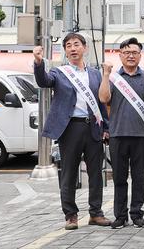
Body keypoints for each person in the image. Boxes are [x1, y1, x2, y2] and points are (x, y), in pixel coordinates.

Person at [33, 33, 111, 230]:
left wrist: (106, 128)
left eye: (76, 44)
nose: (73, 48)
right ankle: (70, 215)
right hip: (70, 128)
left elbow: (101, 103)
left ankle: (96, 213)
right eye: (69, 45)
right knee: (68, 173)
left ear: (84, 48)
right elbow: (43, 81)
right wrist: (38, 62)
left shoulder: (95, 74)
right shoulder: (60, 73)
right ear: (65, 51)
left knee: (96, 173)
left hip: (93, 127)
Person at [99, 37, 144, 229]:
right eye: (126, 52)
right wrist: (105, 74)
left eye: (134, 52)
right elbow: (103, 98)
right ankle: (120, 216)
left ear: (140, 56)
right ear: (120, 55)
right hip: (118, 134)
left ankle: (137, 214)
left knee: (139, 178)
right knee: (119, 178)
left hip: (140, 136)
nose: (130, 56)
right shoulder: (113, 78)